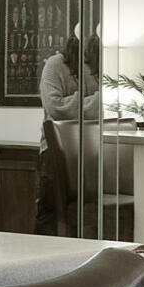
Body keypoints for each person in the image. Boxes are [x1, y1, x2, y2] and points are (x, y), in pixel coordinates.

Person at [39, 28, 89, 235]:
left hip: (92, 151)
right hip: (56, 150)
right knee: (50, 211)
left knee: (84, 214)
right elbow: (56, 108)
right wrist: (95, 101)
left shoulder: (100, 66)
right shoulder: (55, 65)